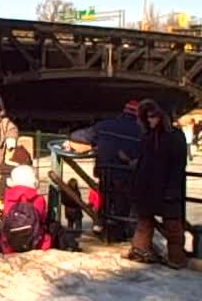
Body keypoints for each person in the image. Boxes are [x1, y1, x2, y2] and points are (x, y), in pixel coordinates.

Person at [126, 100, 188, 269]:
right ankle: (140, 251)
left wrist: (173, 190)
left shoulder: (175, 136)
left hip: (167, 187)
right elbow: (143, 164)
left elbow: (178, 165)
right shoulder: (147, 136)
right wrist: (136, 185)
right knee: (144, 222)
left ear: (162, 116)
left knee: (173, 226)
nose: (150, 120)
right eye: (147, 116)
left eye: (153, 116)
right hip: (147, 187)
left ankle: (176, 259)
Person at [69, 100, 142, 241]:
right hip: (129, 176)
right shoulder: (142, 133)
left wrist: (97, 145)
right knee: (125, 206)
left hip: (105, 172)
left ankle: (104, 229)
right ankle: (121, 233)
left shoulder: (105, 126)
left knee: (106, 202)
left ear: (124, 112)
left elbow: (76, 136)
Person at [0, 165, 52, 254]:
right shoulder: (39, 199)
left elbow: (5, 218)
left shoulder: (8, 197)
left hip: (11, 245)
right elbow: (42, 219)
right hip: (36, 244)